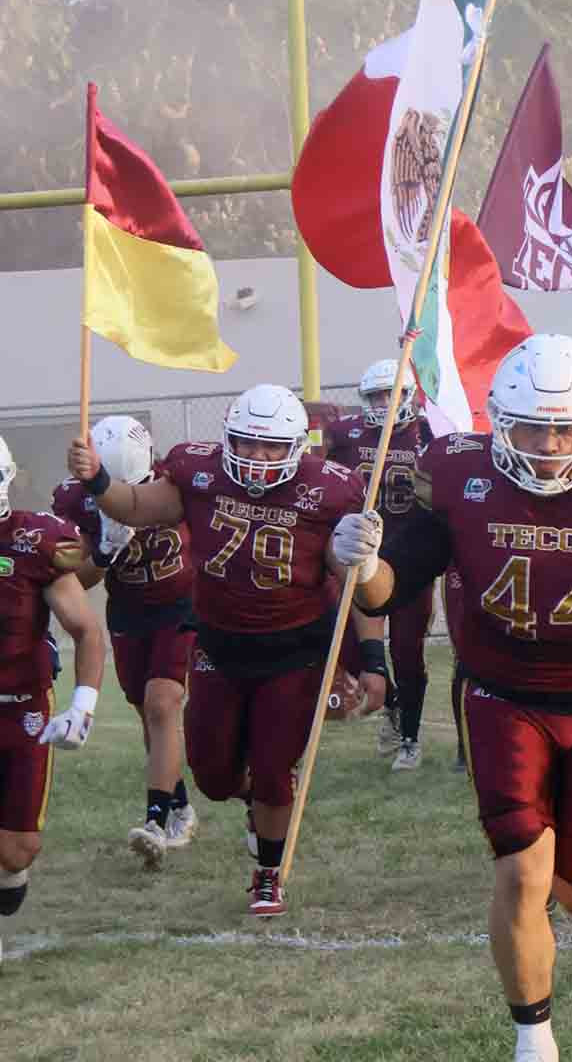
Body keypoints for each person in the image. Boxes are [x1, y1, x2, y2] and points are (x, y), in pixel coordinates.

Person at [330, 333, 572, 1062]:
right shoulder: (457, 474)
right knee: (519, 869)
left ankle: (543, 898)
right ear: (497, 421)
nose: (548, 443)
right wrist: (362, 563)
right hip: (501, 697)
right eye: (531, 426)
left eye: (565, 426)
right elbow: (396, 588)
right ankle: (532, 1036)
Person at [67, 384, 374, 917]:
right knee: (212, 776)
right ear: (227, 439)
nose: (258, 457)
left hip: (292, 647)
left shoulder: (332, 489)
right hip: (217, 642)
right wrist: (97, 478)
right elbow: (137, 506)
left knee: (276, 767)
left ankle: (268, 873)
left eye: (272, 447)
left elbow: (360, 586)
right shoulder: (199, 471)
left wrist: (369, 618)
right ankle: (258, 797)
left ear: (297, 446)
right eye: (247, 444)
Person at [52, 416, 199, 867]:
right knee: (147, 716)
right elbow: (78, 580)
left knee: (162, 704)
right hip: (130, 611)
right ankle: (180, 805)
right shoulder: (75, 499)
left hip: (183, 604)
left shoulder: (176, 484)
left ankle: (155, 820)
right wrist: (104, 550)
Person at [0, 432, 105, 965]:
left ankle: (9, 877)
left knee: (18, 849)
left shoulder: (32, 542)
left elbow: (86, 630)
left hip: (21, 706)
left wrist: (83, 704)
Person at [322, 360, 435, 770]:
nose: (383, 403)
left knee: (407, 652)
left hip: (408, 561)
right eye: (375, 396)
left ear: (409, 396)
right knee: (354, 653)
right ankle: (393, 703)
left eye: (391, 394)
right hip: (357, 556)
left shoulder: (427, 434)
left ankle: (409, 737)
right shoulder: (346, 433)